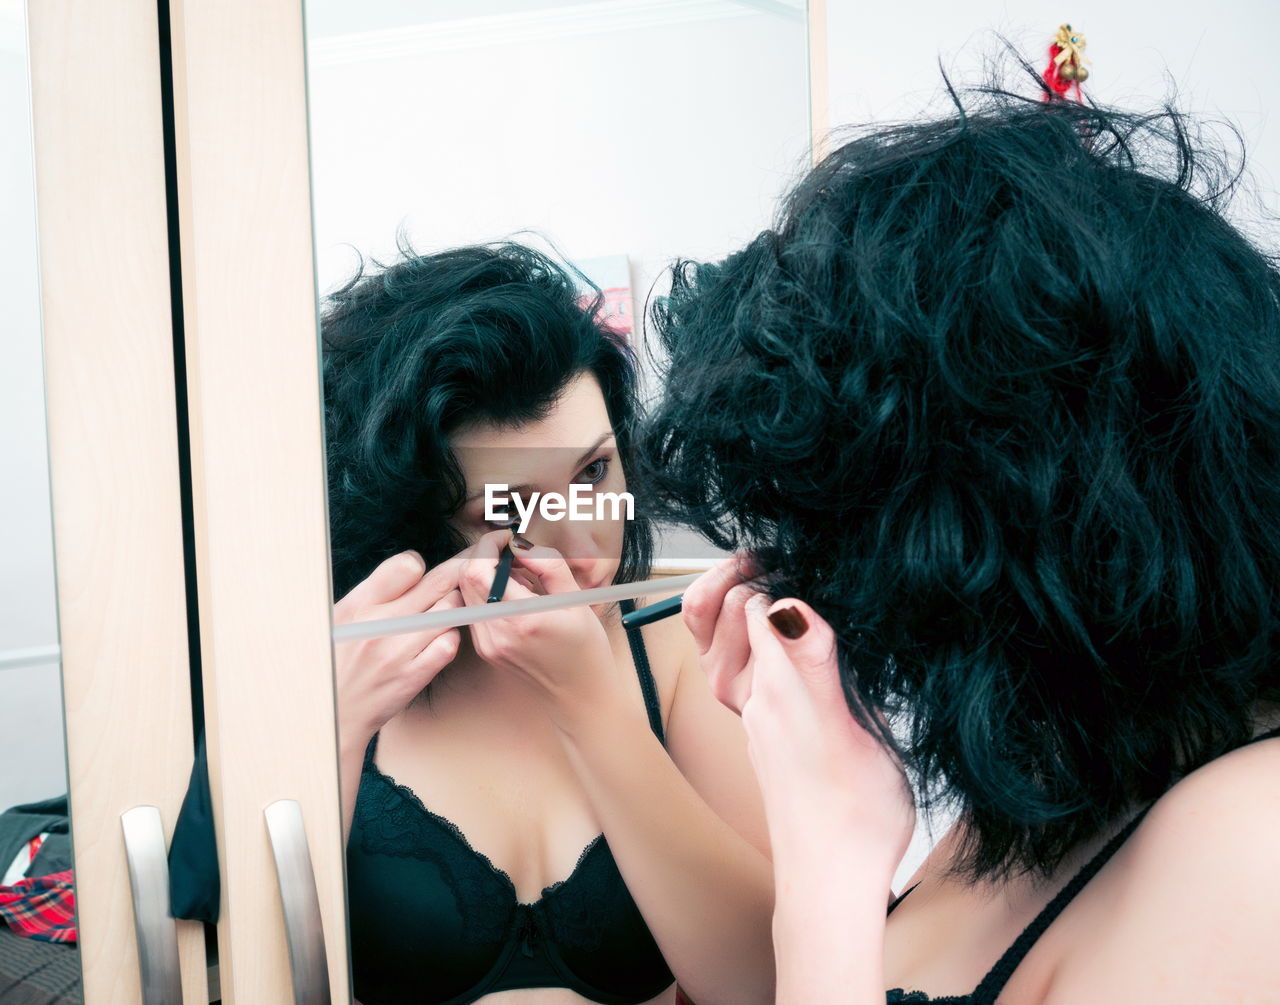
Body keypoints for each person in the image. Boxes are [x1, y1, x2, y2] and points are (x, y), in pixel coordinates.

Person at [636, 81, 1280, 1003]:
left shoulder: (1251, 848)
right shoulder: (1060, 766)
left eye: (831, 529)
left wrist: (829, 858)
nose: (804, 571)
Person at [320, 243, 774, 1005]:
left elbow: (764, 986)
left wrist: (591, 708)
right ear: (420, 525)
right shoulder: (353, 674)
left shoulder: (680, 653)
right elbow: (253, 967)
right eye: (513, 510)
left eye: (593, 472)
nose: (585, 548)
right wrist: (332, 726)